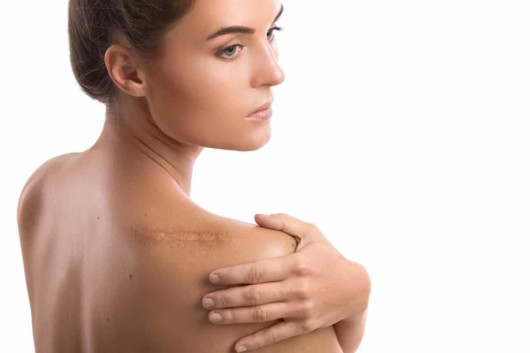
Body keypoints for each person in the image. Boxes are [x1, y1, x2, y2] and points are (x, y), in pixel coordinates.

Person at [17, 0, 370, 352]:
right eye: (230, 49)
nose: (274, 73)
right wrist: (355, 293)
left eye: (271, 33)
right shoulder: (257, 268)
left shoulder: (46, 190)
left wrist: (354, 299)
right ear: (129, 72)